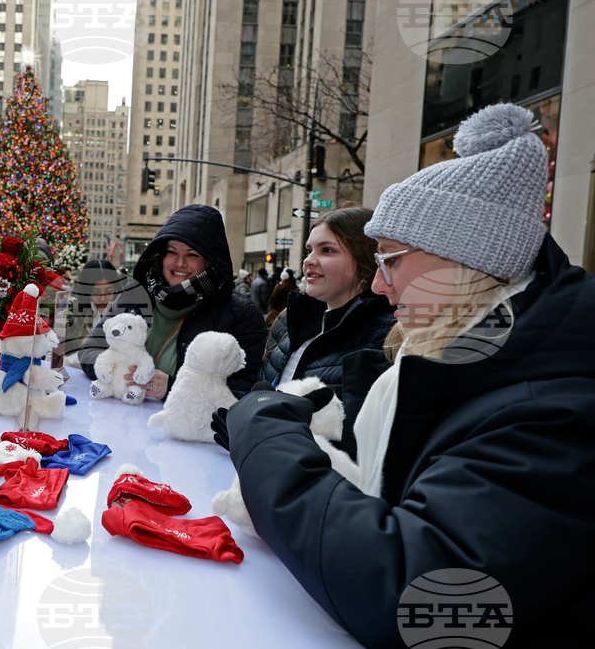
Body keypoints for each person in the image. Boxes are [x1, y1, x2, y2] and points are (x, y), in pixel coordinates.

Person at [220, 103, 595, 646]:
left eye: (391, 259)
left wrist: (263, 437)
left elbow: (416, 595)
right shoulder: (473, 361)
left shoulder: (559, 407)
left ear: (461, 262)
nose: (378, 284)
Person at [78, 204, 267, 398]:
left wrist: (173, 386)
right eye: (172, 252)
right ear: (161, 256)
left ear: (210, 261)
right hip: (122, 418)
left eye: (192, 254)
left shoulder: (241, 314)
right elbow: (89, 350)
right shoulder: (134, 295)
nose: (179, 263)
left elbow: (248, 388)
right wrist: (118, 369)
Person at [258, 205, 395, 457]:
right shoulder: (287, 321)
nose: (309, 260)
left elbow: (367, 444)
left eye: (327, 250)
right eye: (309, 250)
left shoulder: (389, 338)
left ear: (366, 261)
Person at [64, 260, 124, 359]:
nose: (103, 298)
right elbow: (53, 358)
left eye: (109, 292)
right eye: (96, 293)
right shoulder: (70, 311)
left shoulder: (123, 311)